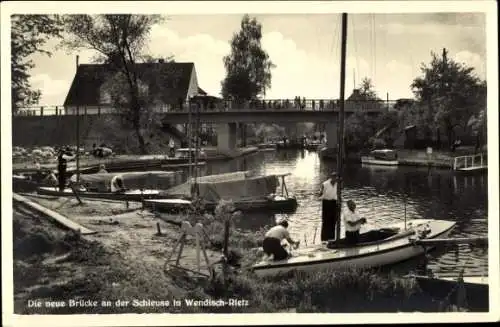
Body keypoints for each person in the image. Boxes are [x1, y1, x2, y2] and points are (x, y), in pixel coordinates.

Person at [318, 171, 339, 241]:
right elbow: (320, 193)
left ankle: (331, 238)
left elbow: (339, 194)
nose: (335, 179)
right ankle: (324, 239)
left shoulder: (338, 184)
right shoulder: (325, 184)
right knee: (326, 221)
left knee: (333, 220)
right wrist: (320, 193)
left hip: (334, 202)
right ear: (331, 177)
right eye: (334, 177)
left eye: (336, 178)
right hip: (326, 203)